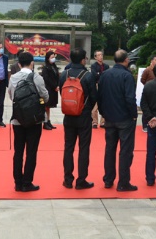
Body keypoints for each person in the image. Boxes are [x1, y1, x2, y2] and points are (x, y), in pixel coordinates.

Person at [97, 49, 138, 192]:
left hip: (109, 117)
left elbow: (100, 96)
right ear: (126, 60)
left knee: (110, 149)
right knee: (125, 151)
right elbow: (130, 98)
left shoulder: (105, 74)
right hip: (125, 118)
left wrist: (103, 113)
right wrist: (134, 114)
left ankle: (108, 180)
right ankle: (123, 182)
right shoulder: (127, 76)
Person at [9, 51, 49, 192]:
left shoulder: (13, 77)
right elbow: (45, 96)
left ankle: (17, 182)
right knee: (31, 152)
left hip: (18, 119)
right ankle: (27, 182)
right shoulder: (37, 77)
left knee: (18, 152)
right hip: (34, 120)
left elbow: (11, 96)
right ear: (32, 63)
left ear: (19, 64)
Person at [59, 47, 96, 190]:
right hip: (83, 116)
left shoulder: (64, 74)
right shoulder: (88, 76)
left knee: (68, 147)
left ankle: (67, 179)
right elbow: (93, 97)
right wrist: (86, 108)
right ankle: (81, 180)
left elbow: (62, 93)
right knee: (84, 148)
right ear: (82, 60)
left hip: (68, 115)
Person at [139, 54, 156, 131]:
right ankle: (145, 125)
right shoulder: (147, 70)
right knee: (146, 108)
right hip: (148, 91)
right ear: (151, 61)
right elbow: (142, 80)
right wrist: (148, 85)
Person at [40, 50, 60, 130]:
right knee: (46, 106)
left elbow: (57, 77)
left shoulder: (54, 66)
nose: (53, 58)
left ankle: (48, 121)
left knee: (49, 107)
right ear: (48, 58)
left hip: (54, 89)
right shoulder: (46, 68)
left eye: (54, 57)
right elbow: (46, 79)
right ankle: (45, 122)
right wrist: (54, 86)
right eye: (51, 57)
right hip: (48, 89)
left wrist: (58, 85)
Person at [90, 50, 108, 129]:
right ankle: (94, 122)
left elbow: (107, 75)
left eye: (101, 55)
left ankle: (103, 122)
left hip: (105, 85)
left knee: (104, 103)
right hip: (96, 85)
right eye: (99, 55)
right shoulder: (93, 66)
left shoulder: (106, 66)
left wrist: (100, 74)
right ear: (95, 57)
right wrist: (101, 75)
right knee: (95, 104)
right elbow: (94, 75)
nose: (101, 56)